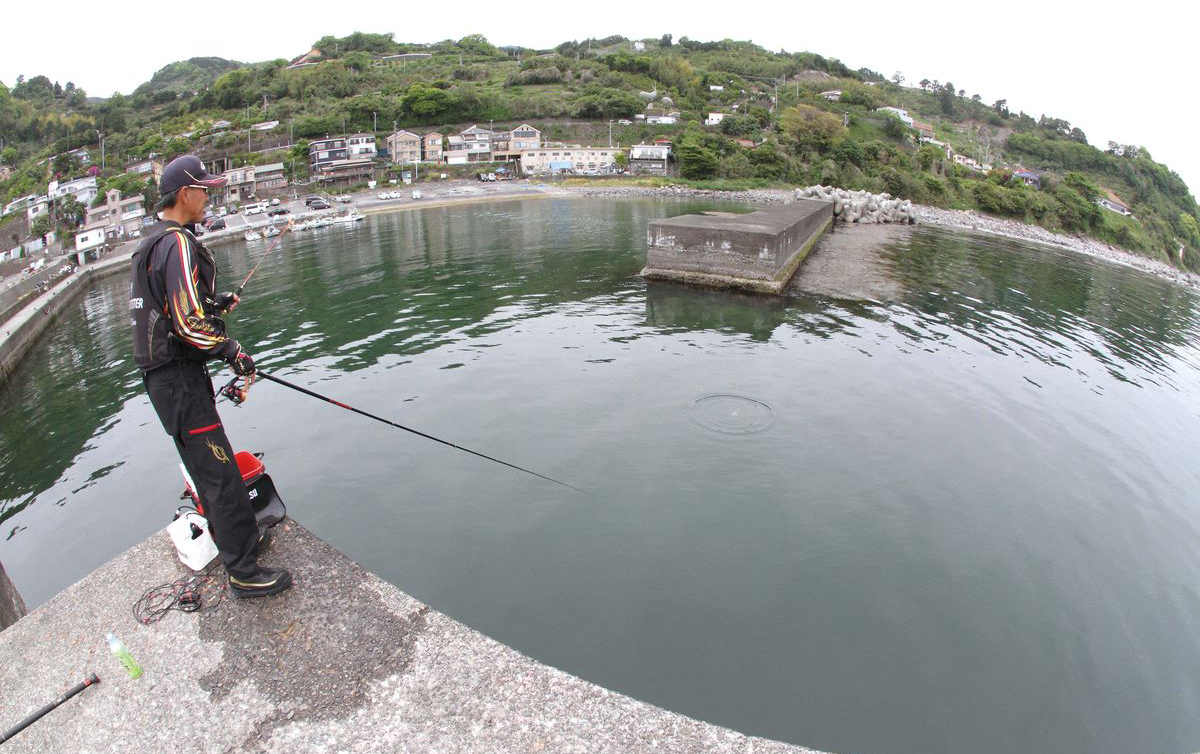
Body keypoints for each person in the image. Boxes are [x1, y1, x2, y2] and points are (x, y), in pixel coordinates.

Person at [129, 154, 291, 598]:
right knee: (220, 473)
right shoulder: (178, 242)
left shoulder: (152, 242)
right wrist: (233, 350)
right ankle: (244, 571)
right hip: (180, 380)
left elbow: (174, 309)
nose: (208, 198)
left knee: (206, 470)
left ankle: (235, 544)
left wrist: (213, 302)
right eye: (204, 190)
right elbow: (187, 326)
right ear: (185, 193)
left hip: (164, 384)